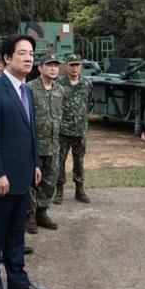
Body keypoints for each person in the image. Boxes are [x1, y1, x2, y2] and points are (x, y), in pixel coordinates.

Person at [0, 34, 51, 289]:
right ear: (7, 58)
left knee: (16, 237)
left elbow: (29, 131)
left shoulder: (26, 90)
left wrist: (35, 163)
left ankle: (18, 284)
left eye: (31, 53)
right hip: (1, 180)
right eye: (22, 53)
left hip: (22, 176)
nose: (29, 58)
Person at [26, 54, 63, 232]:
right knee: (31, 182)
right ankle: (29, 215)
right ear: (40, 68)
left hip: (54, 144)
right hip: (34, 146)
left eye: (56, 65)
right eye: (49, 65)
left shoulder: (59, 90)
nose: (53, 68)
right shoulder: (29, 89)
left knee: (50, 181)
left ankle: (42, 211)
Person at [54, 54, 93, 204]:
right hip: (63, 130)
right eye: (72, 65)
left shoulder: (87, 83)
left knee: (79, 160)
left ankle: (79, 189)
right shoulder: (58, 84)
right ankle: (59, 190)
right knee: (59, 161)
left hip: (80, 130)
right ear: (66, 66)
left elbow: (90, 104)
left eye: (77, 65)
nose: (75, 67)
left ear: (81, 66)